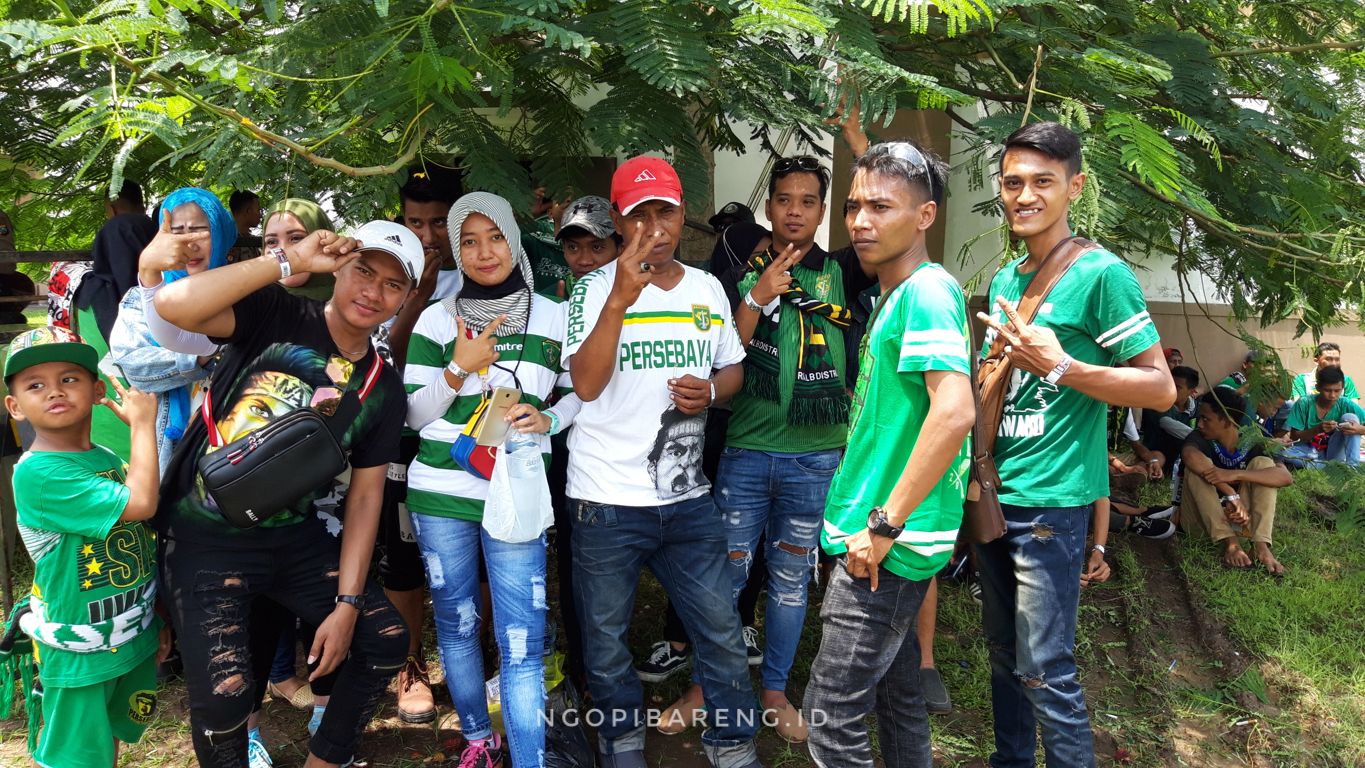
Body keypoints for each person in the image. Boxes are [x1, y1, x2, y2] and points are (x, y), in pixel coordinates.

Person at [152, 220, 420, 767]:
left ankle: (327, 758)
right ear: (339, 266)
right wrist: (287, 261)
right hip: (204, 538)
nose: (372, 291)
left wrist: (347, 604)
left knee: (385, 638)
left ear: (407, 298)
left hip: (296, 539)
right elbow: (172, 305)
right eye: (363, 270)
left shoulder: (382, 388)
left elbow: (367, 498)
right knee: (224, 701)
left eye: (393, 285)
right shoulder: (274, 312)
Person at [974, 122, 1175, 768]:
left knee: (1044, 668)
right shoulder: (1008, 279)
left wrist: (1063, 368)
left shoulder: (1099, 276)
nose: (1023, 195)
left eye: (1041, 182)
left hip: (1051, 510)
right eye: (1012, 182)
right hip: (994, 499)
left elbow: (1159, 388)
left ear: (1074, 187)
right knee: (1004, 660)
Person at [660, 154, 876, 744]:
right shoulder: (738, 271)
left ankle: (776, 691)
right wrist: (757, 295)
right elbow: (720, 352)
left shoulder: (843, 270)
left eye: (808, 201)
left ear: (822, 210)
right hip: (749, 450)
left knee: (786, 580)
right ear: (770, 206)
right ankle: (707, 686)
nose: (796, 211)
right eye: (785, 200)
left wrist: (861, 148)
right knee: (725, 578)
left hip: (816, 456)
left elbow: (892, 223)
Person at [565, 156, 758, 768]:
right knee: (605, 642)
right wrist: (621, 298)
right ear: (619, 224)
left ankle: (732, 745)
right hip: (604, 500)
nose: (654, 227)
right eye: (638, 215)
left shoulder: (705, 289)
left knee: (722, 634)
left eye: (664, 212)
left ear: (681, 215)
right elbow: (586, 385)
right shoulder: (591, 291)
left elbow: (732, 367)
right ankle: (622, 746)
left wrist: (713, 389)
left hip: (686, 498)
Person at [800, 140, 974, 767]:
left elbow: (955, 412)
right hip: (888, 538)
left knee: (830, 713)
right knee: (898, 700)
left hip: (884, 546)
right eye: (852, 207)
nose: (860, 222)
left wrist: (883, 524)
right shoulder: (895, 295)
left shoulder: (927, 293)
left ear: (924, 217)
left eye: (881, 206)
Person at [403, 191, 583, 768]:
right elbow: (413, 414)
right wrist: (458, 366)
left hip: (518, 493)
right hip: (441, 490)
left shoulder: (554, 314)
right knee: (456, 624)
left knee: (522, 643)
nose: (484, 253)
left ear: (514, 239)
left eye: (496, 237)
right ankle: (479, 741)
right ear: (456, 250)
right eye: (469, 241)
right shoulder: (437, 317)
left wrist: (552, 416)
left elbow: (586, 386)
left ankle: (528, 759)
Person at [3, 326, 168, 768]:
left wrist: (154, 622)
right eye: (35, 384)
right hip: (80, 652)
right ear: (15, 406)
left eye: (69, 378)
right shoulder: (39, 475)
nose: (54, 391)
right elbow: (142, 502)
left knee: (109, 741)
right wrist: (142, 424)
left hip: (128, 633)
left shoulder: (104, 460)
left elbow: (137, 542)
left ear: (97, 389)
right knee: (77, 757)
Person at [111, 187, 235, 475]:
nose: (188, 242)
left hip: (233, 443)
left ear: (221, 232)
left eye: (200, 230)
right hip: (170, 447)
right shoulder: (141, 299)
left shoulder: (244, 295)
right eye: (177, 231)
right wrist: (200, 357)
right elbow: (134, 367)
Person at [1181, 388, 1293, 575]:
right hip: (1199, 526)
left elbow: (1285, 477)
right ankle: (1230, 543)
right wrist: (1230, 493)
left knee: (1263, 464)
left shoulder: (1253, 440)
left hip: (1241, 525)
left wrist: (1236, 475)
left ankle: (1261, 545)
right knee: (1196, 469)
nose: (1200, 424)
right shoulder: (1198, 438)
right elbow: (1190, 456)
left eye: (1206, 419)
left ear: (1228, 420)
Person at [77, 181, 156, 341]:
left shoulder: (115, 228)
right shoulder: (155, 225)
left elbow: (120, 273)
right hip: (158, 298)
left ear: (112, 209)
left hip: (121, 306)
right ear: (141, 205)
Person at [1284, 366, 1365, 467]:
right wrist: (1317, 429)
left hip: (1334, 451)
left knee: (1350, 417)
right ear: (1318, 387)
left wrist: (1359, 429)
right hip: (1308, 451)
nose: (1332, 395)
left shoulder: (1346, 404)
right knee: (1284, 455)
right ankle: (1331, 467)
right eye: (1327, 390)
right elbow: (1294, 436)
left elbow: (1359, 426)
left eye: (1337, 391)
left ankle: (1353, 467)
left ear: (1342, 389)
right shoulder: (1303, 403)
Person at [1138, 365, 1199, 476]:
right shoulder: (1159, 403)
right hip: (1152, 456)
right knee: (1158, 457)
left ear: (1191, 392)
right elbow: (1166, 423)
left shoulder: (1197, 409)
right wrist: (1202, 440)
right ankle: (1140, 474)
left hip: (1181, 462)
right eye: (1169, 384)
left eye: (1178, 387)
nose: (1171, 389)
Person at [263, 198, 333, 290]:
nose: (283, 251)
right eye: (271, 242)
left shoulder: (355, 289)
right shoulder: (256, 301)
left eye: (296, 238)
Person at [1290, 342, 1359, 401]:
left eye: (1337, 359)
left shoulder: (1346, 380)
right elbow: (1299, 406)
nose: (1334, 363)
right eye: (1328, 359)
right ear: (1316, 361)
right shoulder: (1302, 380)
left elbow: (1354, 410)